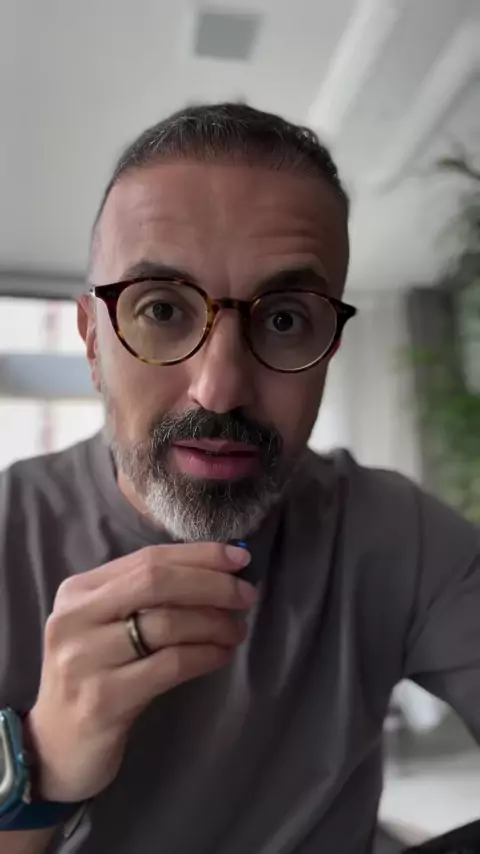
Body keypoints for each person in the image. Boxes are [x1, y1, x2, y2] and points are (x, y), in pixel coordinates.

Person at [0, 102, 478, 854]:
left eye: (284, 319)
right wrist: (43, 763)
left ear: (329, 349)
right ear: (93, 341)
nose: (219, 389)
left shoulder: (393, 532)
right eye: (162, 308)